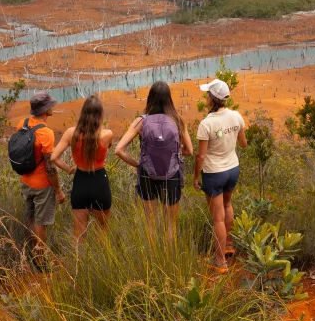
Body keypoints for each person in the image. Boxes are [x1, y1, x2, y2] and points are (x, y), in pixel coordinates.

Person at [116, 81, 193, 242]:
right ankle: (169, 258)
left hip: (147, 175)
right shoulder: (178, 120)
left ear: (150, 99)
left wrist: (138, 164)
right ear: (169, 99)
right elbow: (189, 151)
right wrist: (175, 155)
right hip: (172, 175)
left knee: (150, 223)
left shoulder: (141, 122)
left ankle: (152, 259)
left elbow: (119, 150)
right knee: (170, 224)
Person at [194, 79, 247, 273]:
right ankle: (229, 246)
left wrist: (195, 177)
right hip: (233, 169)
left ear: (212, 98)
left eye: (207, 94)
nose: (206, 96)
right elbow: (243, 144)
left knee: (217, 218)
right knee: (227, 205)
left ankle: (220, 262)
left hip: (214, 172)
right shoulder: (236, 116)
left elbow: (200, 156)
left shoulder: (206, 123)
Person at [51, 95, 113, 241]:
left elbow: (54, 157)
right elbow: (108, 146)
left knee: (79, 236)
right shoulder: (107, 134)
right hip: (99, 181)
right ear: (100, 114)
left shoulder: (71, 133)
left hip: (80, 181)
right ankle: (100, 262)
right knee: (102, 233)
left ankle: (79, 263)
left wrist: (69, 169)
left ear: (83, 112)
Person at [17, 91, 66, 268]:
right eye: (51, 105)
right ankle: (40, 263)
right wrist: (58, 190)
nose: (53, 107)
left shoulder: (22, 124)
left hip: (26, 181)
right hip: (42, 186)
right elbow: (50, 167)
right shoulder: (46, 133)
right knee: (40, 224)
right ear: (46, 109)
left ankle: (32, 256)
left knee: (31, 219)